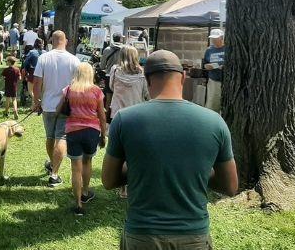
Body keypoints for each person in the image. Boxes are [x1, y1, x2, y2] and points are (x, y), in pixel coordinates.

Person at [102, 50, 238, 249]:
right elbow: (230, 185)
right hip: (193, 235)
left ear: (147, 79)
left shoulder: (125, 120)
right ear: (183, 77)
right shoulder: (214, 122)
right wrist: (195, 171)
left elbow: (109, 180)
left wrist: (142, 168)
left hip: (142, 235)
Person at [32, 30, 80, 187]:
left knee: (50, 137)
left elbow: (37, 82)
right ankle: (54, 173)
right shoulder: (74, 60)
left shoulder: (43, 58)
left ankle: (53, 166)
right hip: (67, 105)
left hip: (48, 104)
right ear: (65, 41)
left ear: (51, 41)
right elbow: (79, 85)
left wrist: (36, 100)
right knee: (61, 137)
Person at [58, 62, 107, 216]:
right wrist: (103, 134)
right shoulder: (97, 91)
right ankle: (85, 192)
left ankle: (78, 203)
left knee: (75, 168)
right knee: (88, 162)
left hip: (73, 130)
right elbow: (102, 115)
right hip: (92, 130)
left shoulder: (69, 90)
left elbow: (59, 109)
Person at [109, 45, 149, 116]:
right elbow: (146, 92)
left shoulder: (115, 70)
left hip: (118, 110)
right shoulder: (142, 73)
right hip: (136, 110)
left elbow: (111, 87)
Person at [203, 28, 225, 112]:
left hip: (226, 80)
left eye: (216, 38)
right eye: (212, 39)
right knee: (212, 103)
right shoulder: (209, 50)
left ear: (221, 38)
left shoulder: (227, 48)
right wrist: (207, 66)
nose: (214, 40)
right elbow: (205, 63)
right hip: (213, 81)